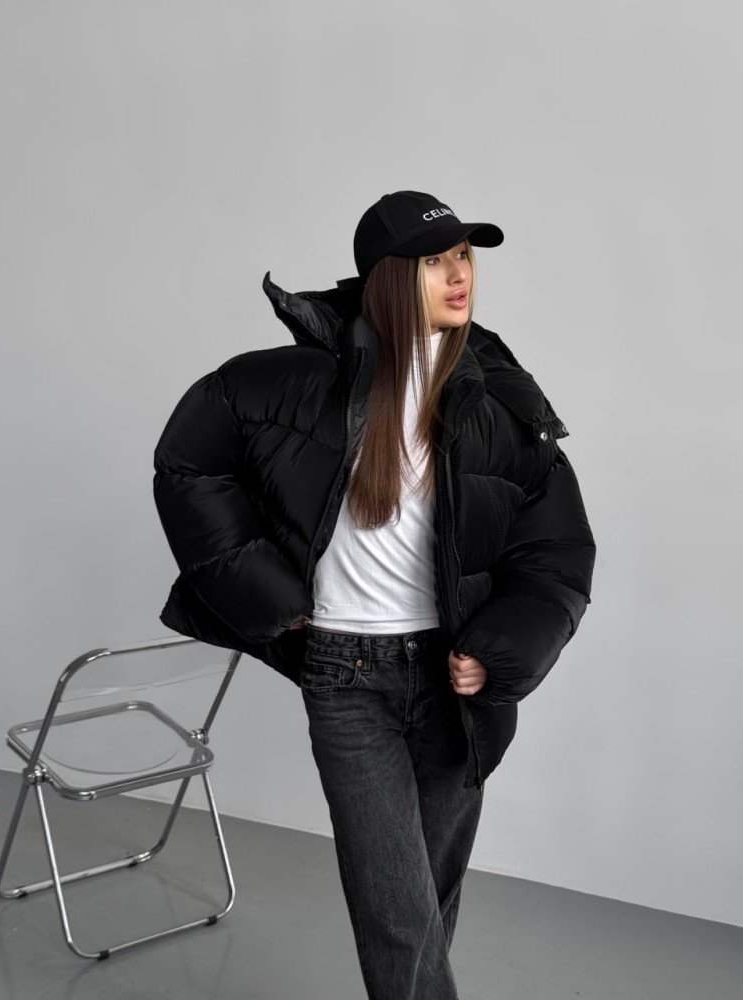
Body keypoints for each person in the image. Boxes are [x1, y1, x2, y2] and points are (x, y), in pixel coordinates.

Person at [152, 190, 596, 1000]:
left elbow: (557, 549)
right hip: (346, 677)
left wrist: (503, 648)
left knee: (429, 898)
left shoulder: (499, 395)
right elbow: (189, 464)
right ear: (390, 277)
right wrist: (269, 593)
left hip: (455, 678)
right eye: (435, 261)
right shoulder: (299, 383)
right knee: (396, 909)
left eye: (464, 256)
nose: (459, 275)